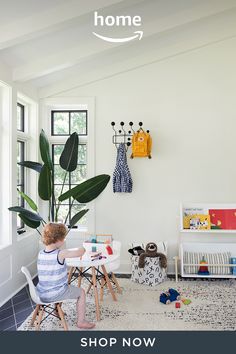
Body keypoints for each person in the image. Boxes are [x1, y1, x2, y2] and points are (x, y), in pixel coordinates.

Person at [36, 222, 95, 329]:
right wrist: (83, 247)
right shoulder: (60, 254)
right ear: (58, 240)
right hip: (55, 294)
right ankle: (81, 322)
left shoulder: (41, 253)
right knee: (81, 292)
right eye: (63, 238)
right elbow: (80, 252)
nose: (63, 241)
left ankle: (56, 310)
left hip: (41, 293)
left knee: (55, 285)